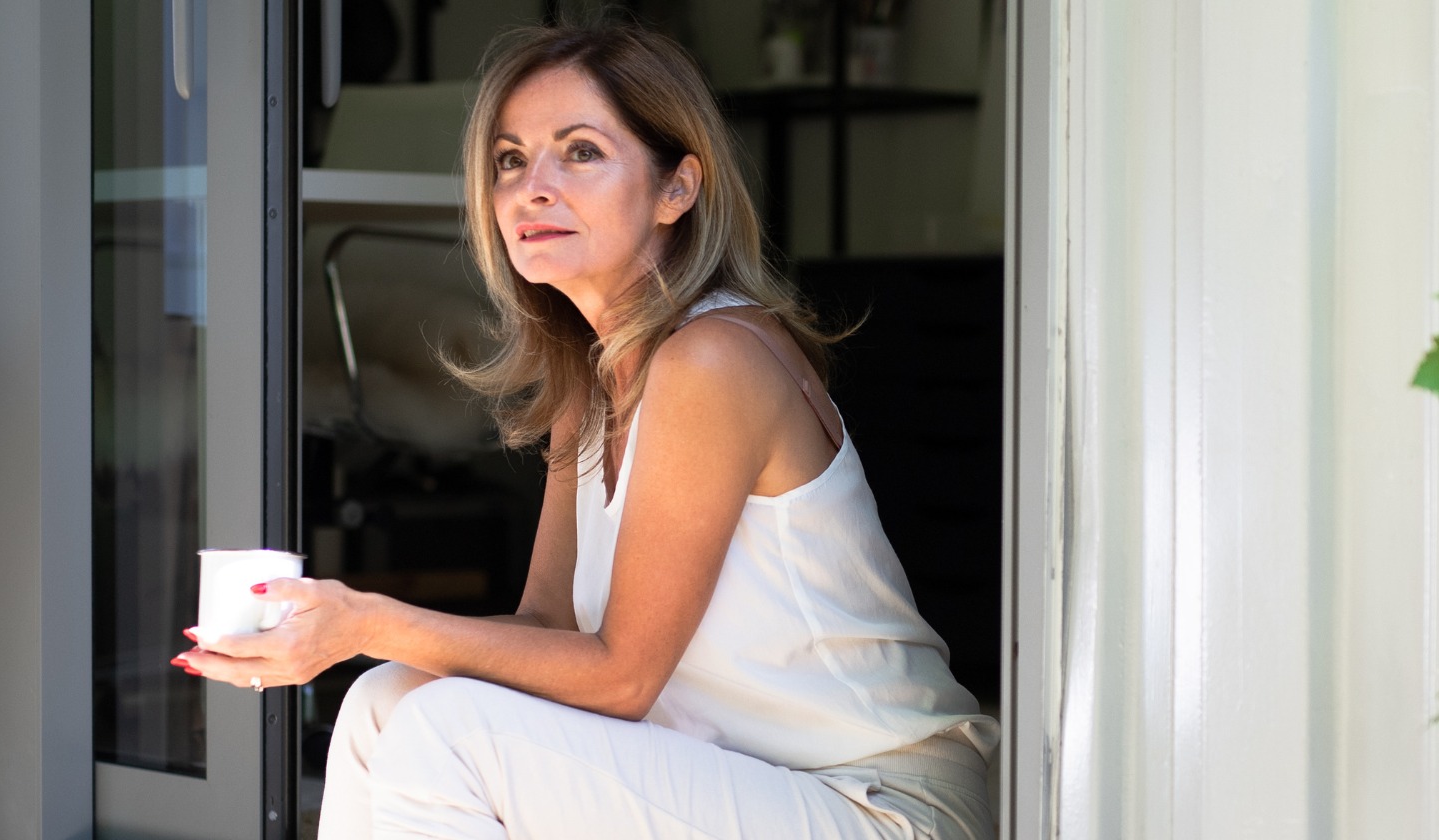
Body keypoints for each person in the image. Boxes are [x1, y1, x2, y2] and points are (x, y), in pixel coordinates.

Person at [174, 19, 998, 839]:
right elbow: (551, 630)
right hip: (752, 782)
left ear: (677, 190)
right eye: (510, 159)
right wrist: (342, 634)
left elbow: (622, 678)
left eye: (580, 151)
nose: (532, 187)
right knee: (385, 701)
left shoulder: (713, 359)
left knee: (447, 734)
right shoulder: (595, 375)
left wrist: (365, 621)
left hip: (880, 803)